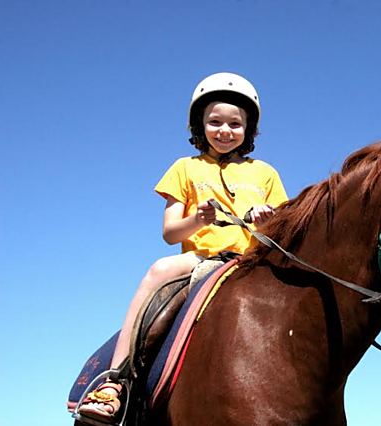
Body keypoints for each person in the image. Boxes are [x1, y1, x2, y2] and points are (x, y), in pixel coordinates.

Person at [78, 72, 288, 422]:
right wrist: (200, 219)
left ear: (248, 129)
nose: (225, 130)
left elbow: (282, 228)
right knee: (159, 270)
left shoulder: (265, 173)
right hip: (201, 260)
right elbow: (170, 232)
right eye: (215, 121)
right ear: (200, 124)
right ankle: (114, 383)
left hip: (251, 263)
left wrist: (269, 221)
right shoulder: (185, 168)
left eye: (235, 124)